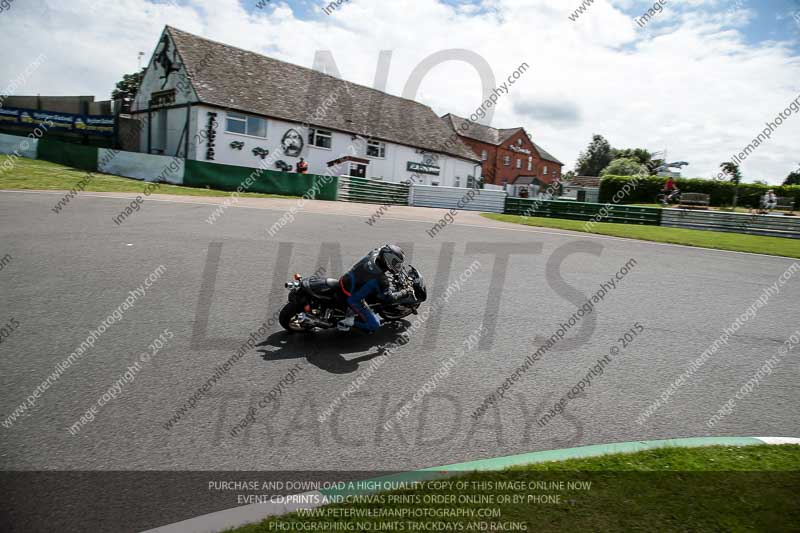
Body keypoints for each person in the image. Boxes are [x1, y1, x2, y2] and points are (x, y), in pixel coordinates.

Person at [337, 245, 413, 332]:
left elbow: (381, 248)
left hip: (346, 280)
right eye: (396, 263)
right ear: (388, 261)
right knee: (374, 325)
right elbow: (389, 297)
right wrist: (404, 292)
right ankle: (347, 322)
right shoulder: (381, 280)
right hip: (352, 298)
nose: (398, 266)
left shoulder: (374, 254)